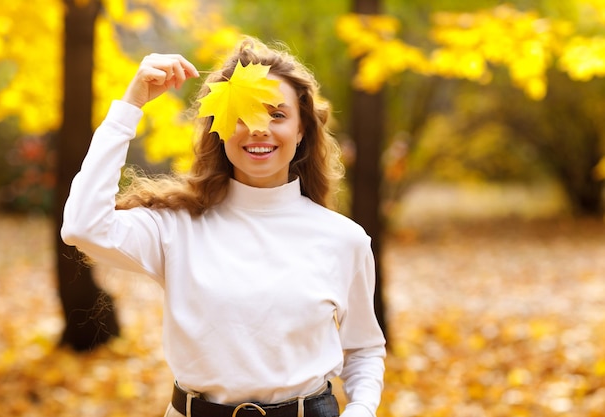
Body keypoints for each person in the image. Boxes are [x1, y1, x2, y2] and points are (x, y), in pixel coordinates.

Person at [61, 36, 386, 417]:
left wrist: (361, 409)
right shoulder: (177, 227)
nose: (259, 128)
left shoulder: (343, 240)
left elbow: (363, 348)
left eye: (277, 114)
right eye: (242, 115)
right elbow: (83, 227)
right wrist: (130, 106)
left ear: (301, 131)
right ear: (218, 128)